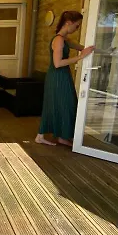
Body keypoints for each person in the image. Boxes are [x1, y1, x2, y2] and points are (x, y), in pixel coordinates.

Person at [35, 11, 95, 146]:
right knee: (64, 104)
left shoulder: (65, 39)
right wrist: (81, 57)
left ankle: (60, 136)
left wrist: (105, 50)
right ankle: (45, 136)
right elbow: (57, 63)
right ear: (68, 23)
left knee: (62, 104)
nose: (77, 28)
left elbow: (84, 48)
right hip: (57, 76)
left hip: (62, 76)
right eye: (77, 25)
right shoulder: (59, 40)